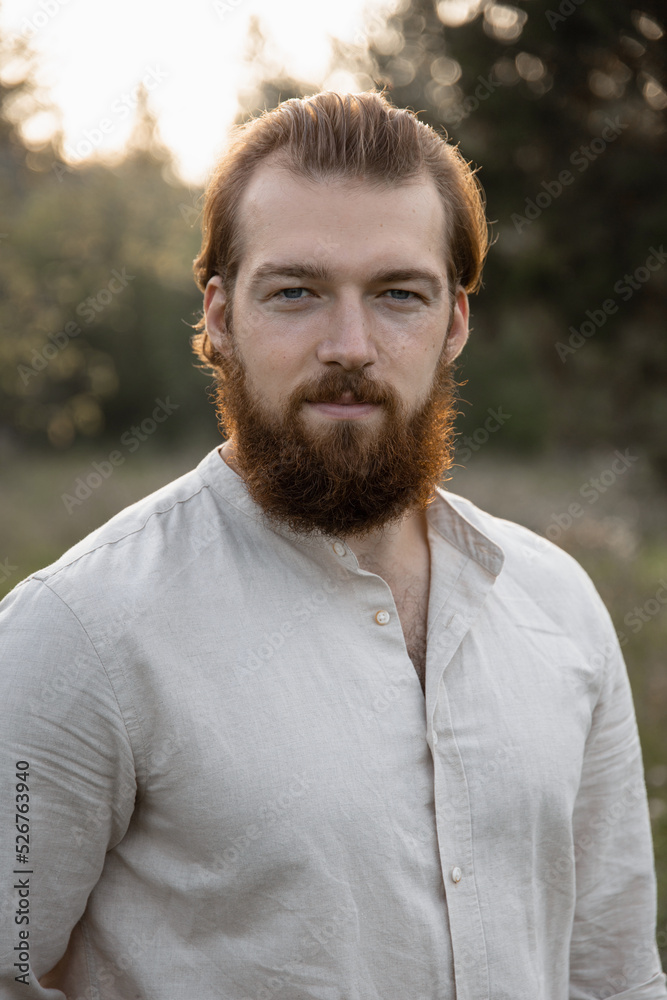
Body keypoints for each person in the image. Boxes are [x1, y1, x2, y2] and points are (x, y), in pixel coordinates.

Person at [1, 89, 665, 1000]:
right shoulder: (79, 633)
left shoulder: (558, 606)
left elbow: (616, 975)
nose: (349, 345)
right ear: (221, 317)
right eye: (297, 292)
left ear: (455, 324)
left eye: (399, 294)